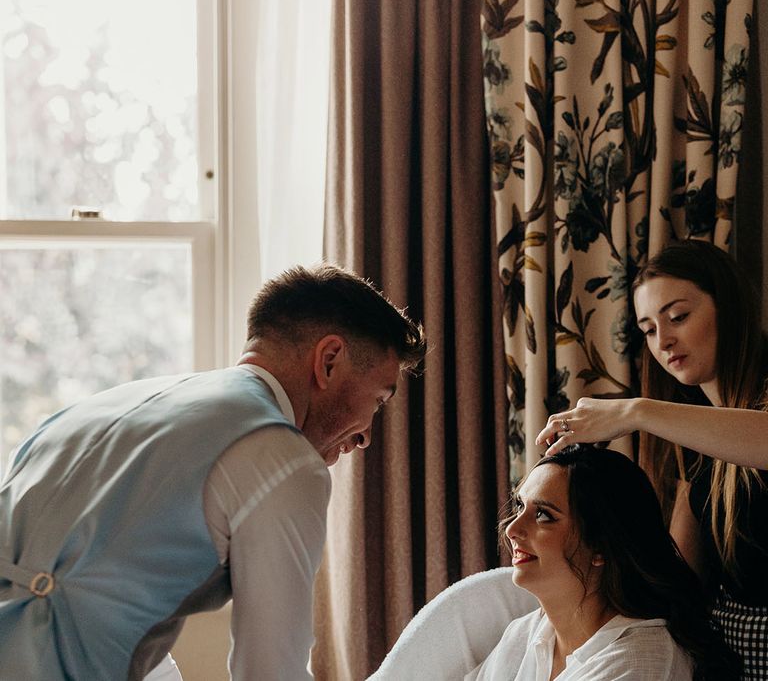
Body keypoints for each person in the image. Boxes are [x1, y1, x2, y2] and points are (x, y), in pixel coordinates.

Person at [0, 263, 426, 681]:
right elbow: (270, 672)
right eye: (378, 399)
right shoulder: (280, 458)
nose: (367, 435)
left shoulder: (94, 408)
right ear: (329, 360)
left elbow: (104, 608)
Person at [536, 239, 768, 677]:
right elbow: (680, 576)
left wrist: (636, 411)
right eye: (647, 328)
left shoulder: (720, 425)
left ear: (728, 307)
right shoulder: (695, 447)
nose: (663, 341)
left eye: (678, 316)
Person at [466, 444, 739, 681]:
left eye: (544, 516)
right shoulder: (526, 632)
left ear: (601, 546)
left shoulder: (639, 661)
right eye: (519, 507)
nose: (512, 529)